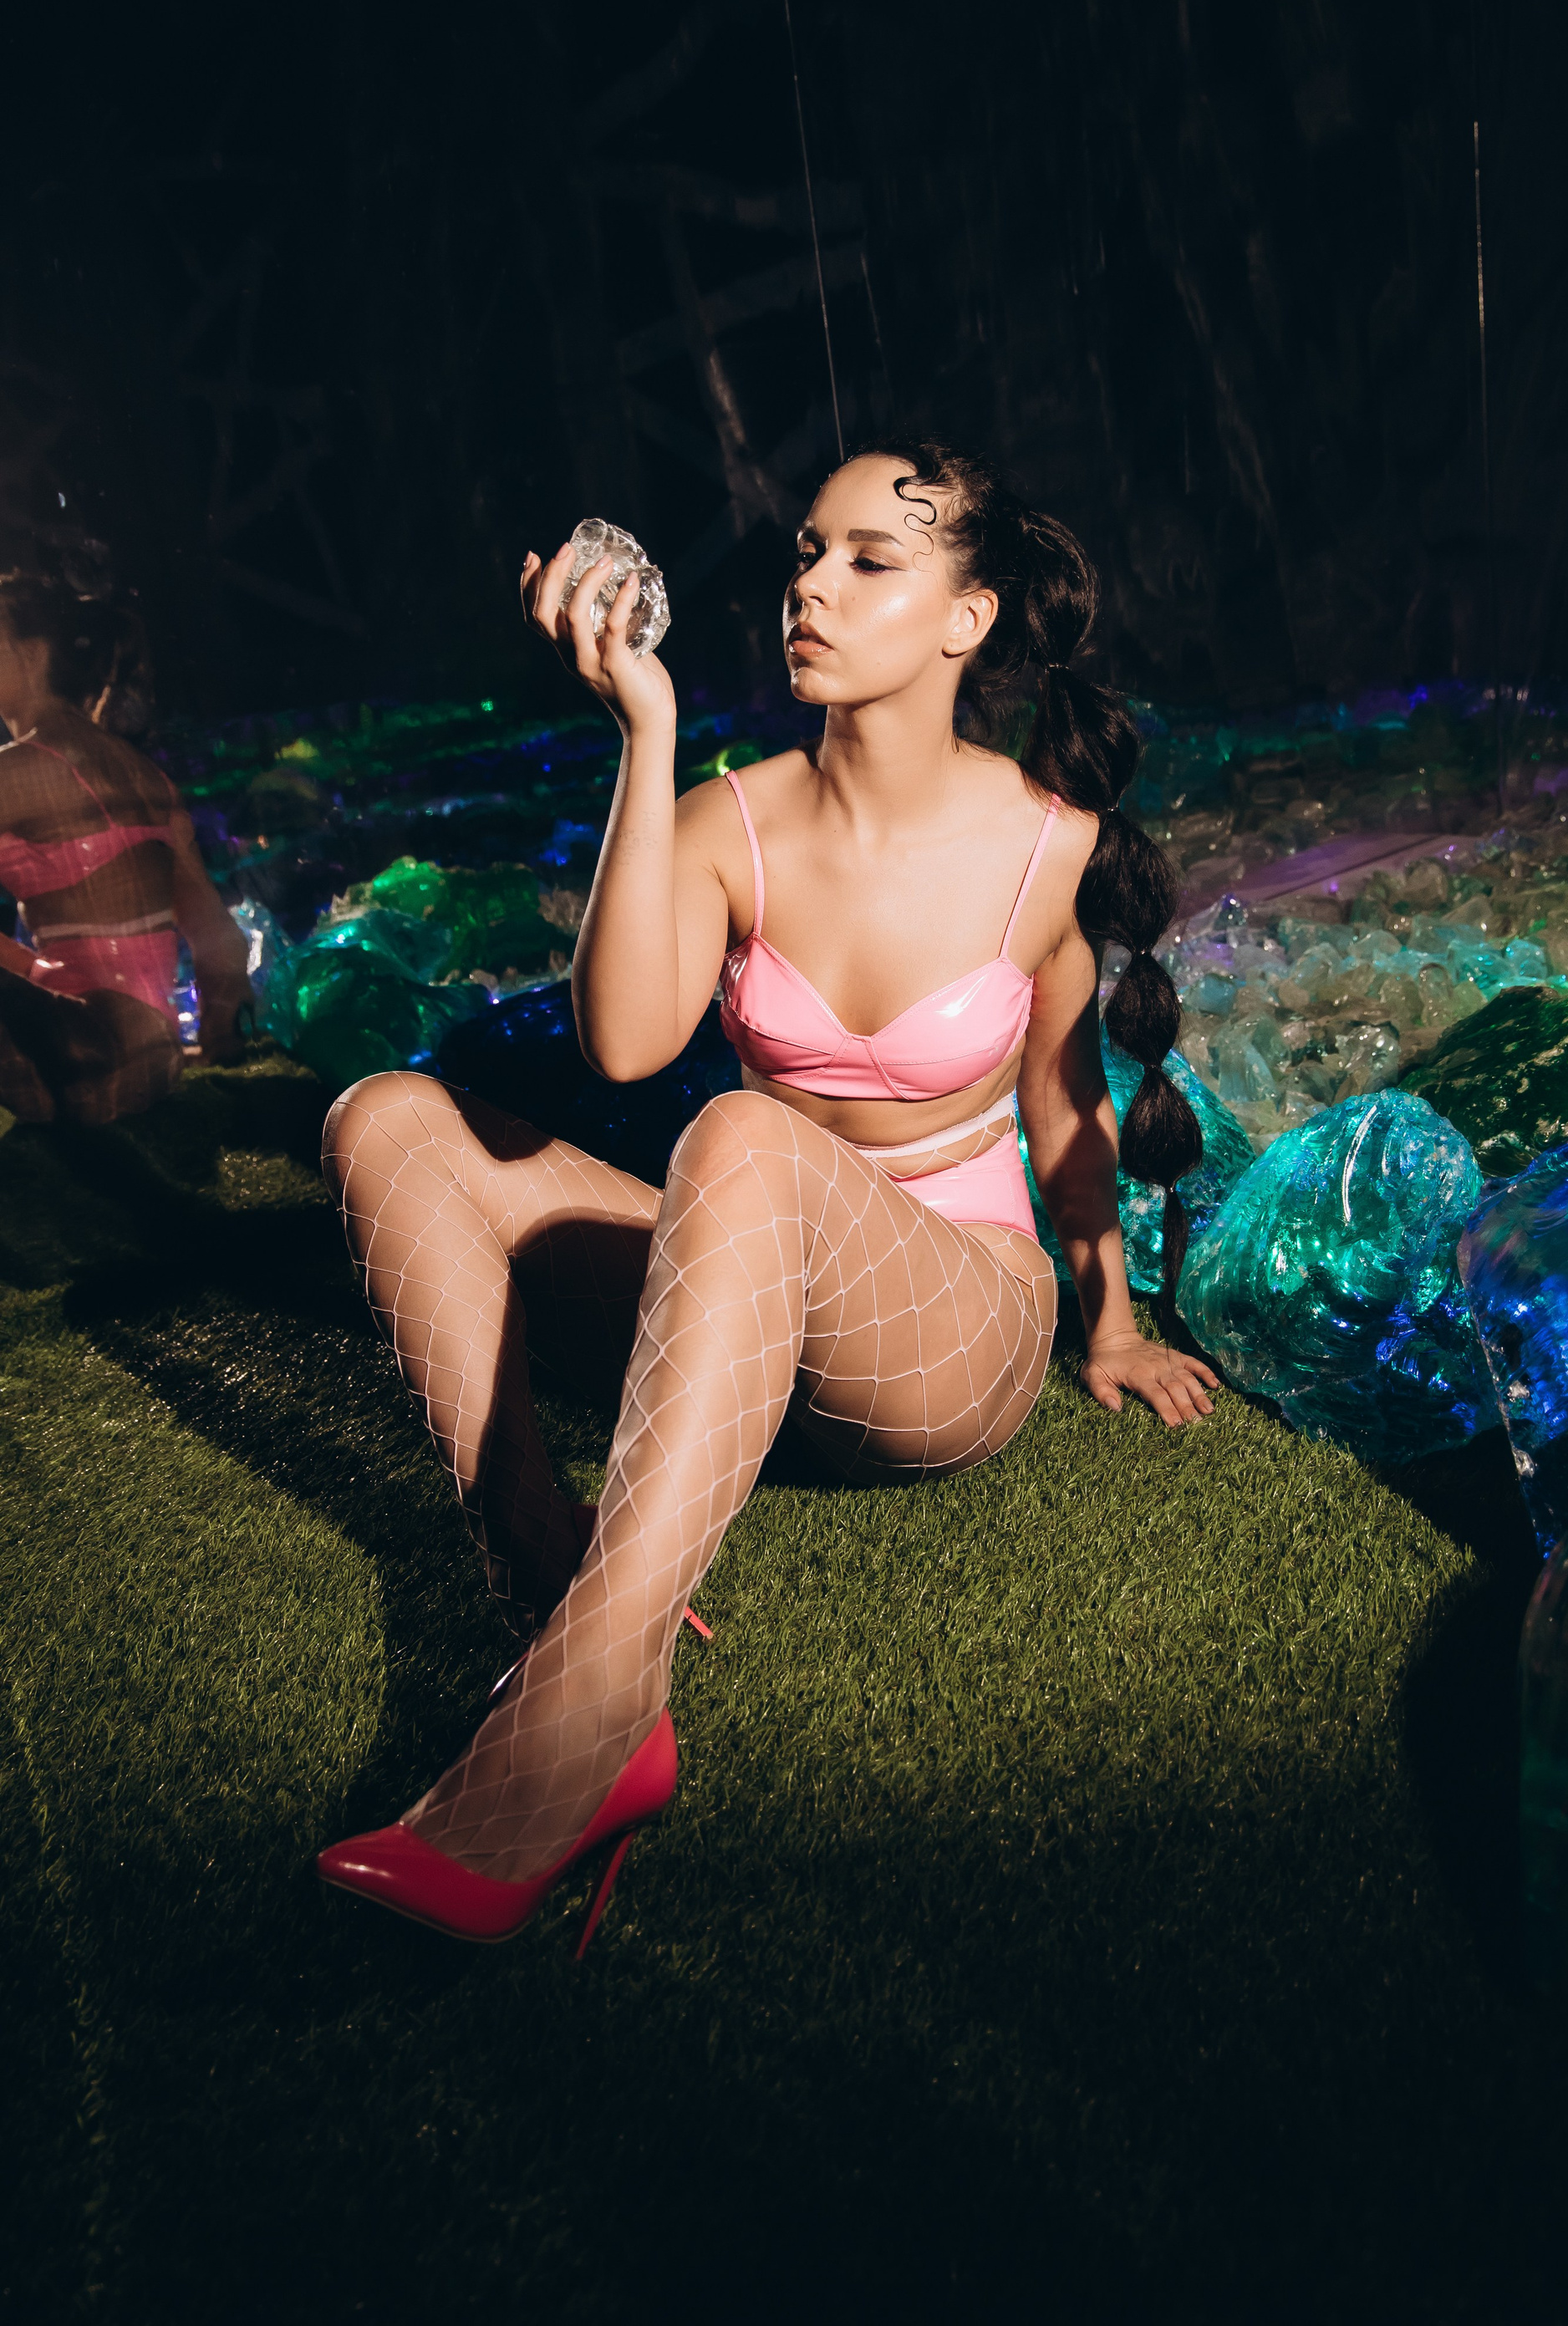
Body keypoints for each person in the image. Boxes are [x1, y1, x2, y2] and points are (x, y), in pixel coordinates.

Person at [316, 443, 1219, 1947]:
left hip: (940, 1335)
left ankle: (583, 1716)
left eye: (870, 559)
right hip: (728, 1318)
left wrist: (1110, 1318)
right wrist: (646, 732)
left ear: (968, 619)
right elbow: (622, 1044)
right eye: (807, 551)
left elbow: (1066, 1105)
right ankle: (541, 1567)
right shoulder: (732, 818)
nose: (811, 585)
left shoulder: (1047, 845)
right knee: (386, 1121)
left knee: (742, 1137)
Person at [0, 570, 254, 1124]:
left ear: (30, 654)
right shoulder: (146, 776)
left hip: (81, 1066)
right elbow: (219, 939)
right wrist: (223, 1040)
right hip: (153, 1065)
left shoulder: (20, 773)